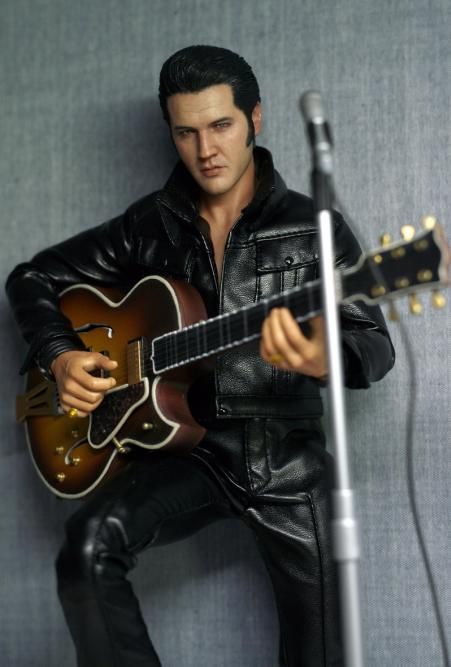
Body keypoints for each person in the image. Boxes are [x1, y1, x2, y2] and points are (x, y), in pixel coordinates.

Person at [6, 45, 394, 667]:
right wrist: (59, 354)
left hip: (285, 461)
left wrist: (321, 358)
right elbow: (31, 278)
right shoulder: (150, 224)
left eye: (221, 125)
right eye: (186, 132)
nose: (205, 149)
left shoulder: (312, 227)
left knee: (321, 653)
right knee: (87, 546)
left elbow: (373, 345)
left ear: (255, 118)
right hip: (188, 450)